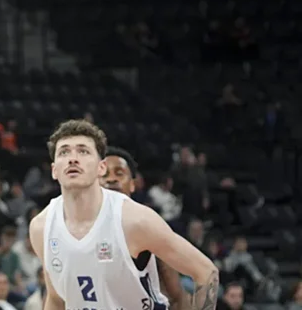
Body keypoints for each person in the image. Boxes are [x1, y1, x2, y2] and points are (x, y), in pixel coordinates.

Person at [29, 120, 219, 310]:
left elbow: (206, 272)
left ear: (100, 167)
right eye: (64, 152)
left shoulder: (134, 220)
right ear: (54, 170)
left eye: (83, 151)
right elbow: (56, 299)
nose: (73, 158)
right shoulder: (41, 227)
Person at [102, 146, 191, 310]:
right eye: (104, 174)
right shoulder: (75, 231)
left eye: (119, 173)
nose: (112, 179)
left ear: (133, 184)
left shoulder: (148, 226)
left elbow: (178, 296)